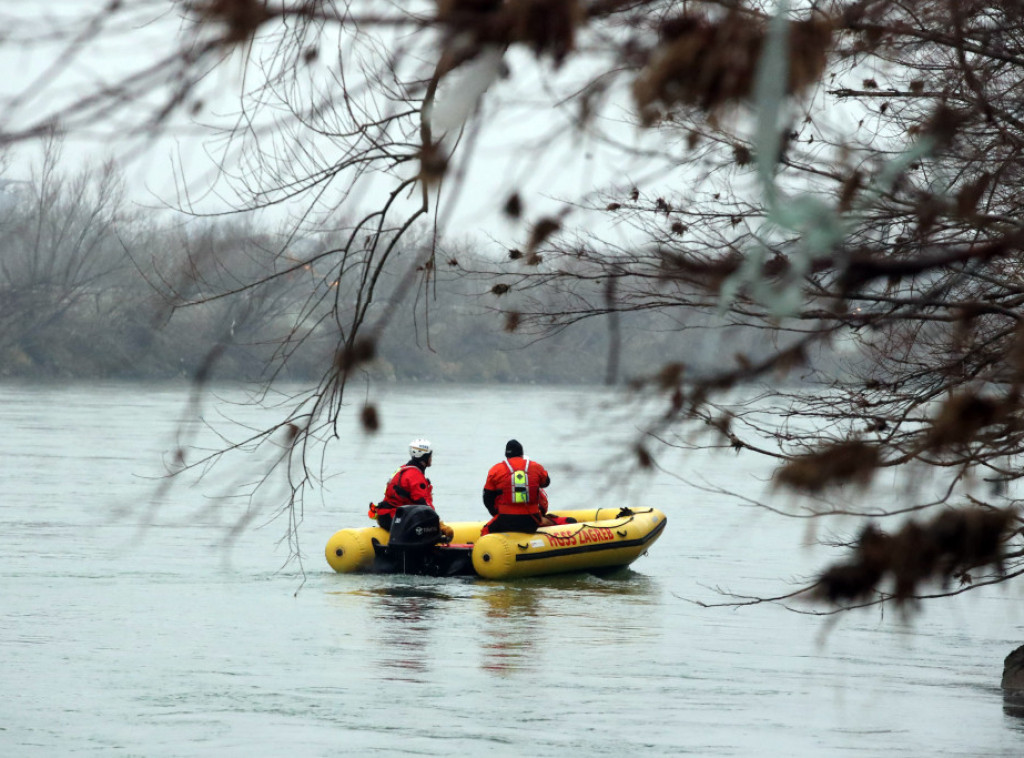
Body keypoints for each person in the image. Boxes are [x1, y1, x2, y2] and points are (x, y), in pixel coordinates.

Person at [481, 439, 559, 535]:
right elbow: (546, 482)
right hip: (532, 520)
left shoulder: (495, 470)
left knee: (485, 531)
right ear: (522, 454)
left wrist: (496, 513)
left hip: (506, 520)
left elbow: (487, 498)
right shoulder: (536, 467)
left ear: (506, 455)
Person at [369, 438, 440, 532]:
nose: (431, 458)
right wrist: (438, 524)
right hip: (396, 519)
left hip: (385, 516)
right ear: (424, 457)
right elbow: (425, 507)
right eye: (430, 455)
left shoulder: (403, 469)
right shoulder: (415, 477)